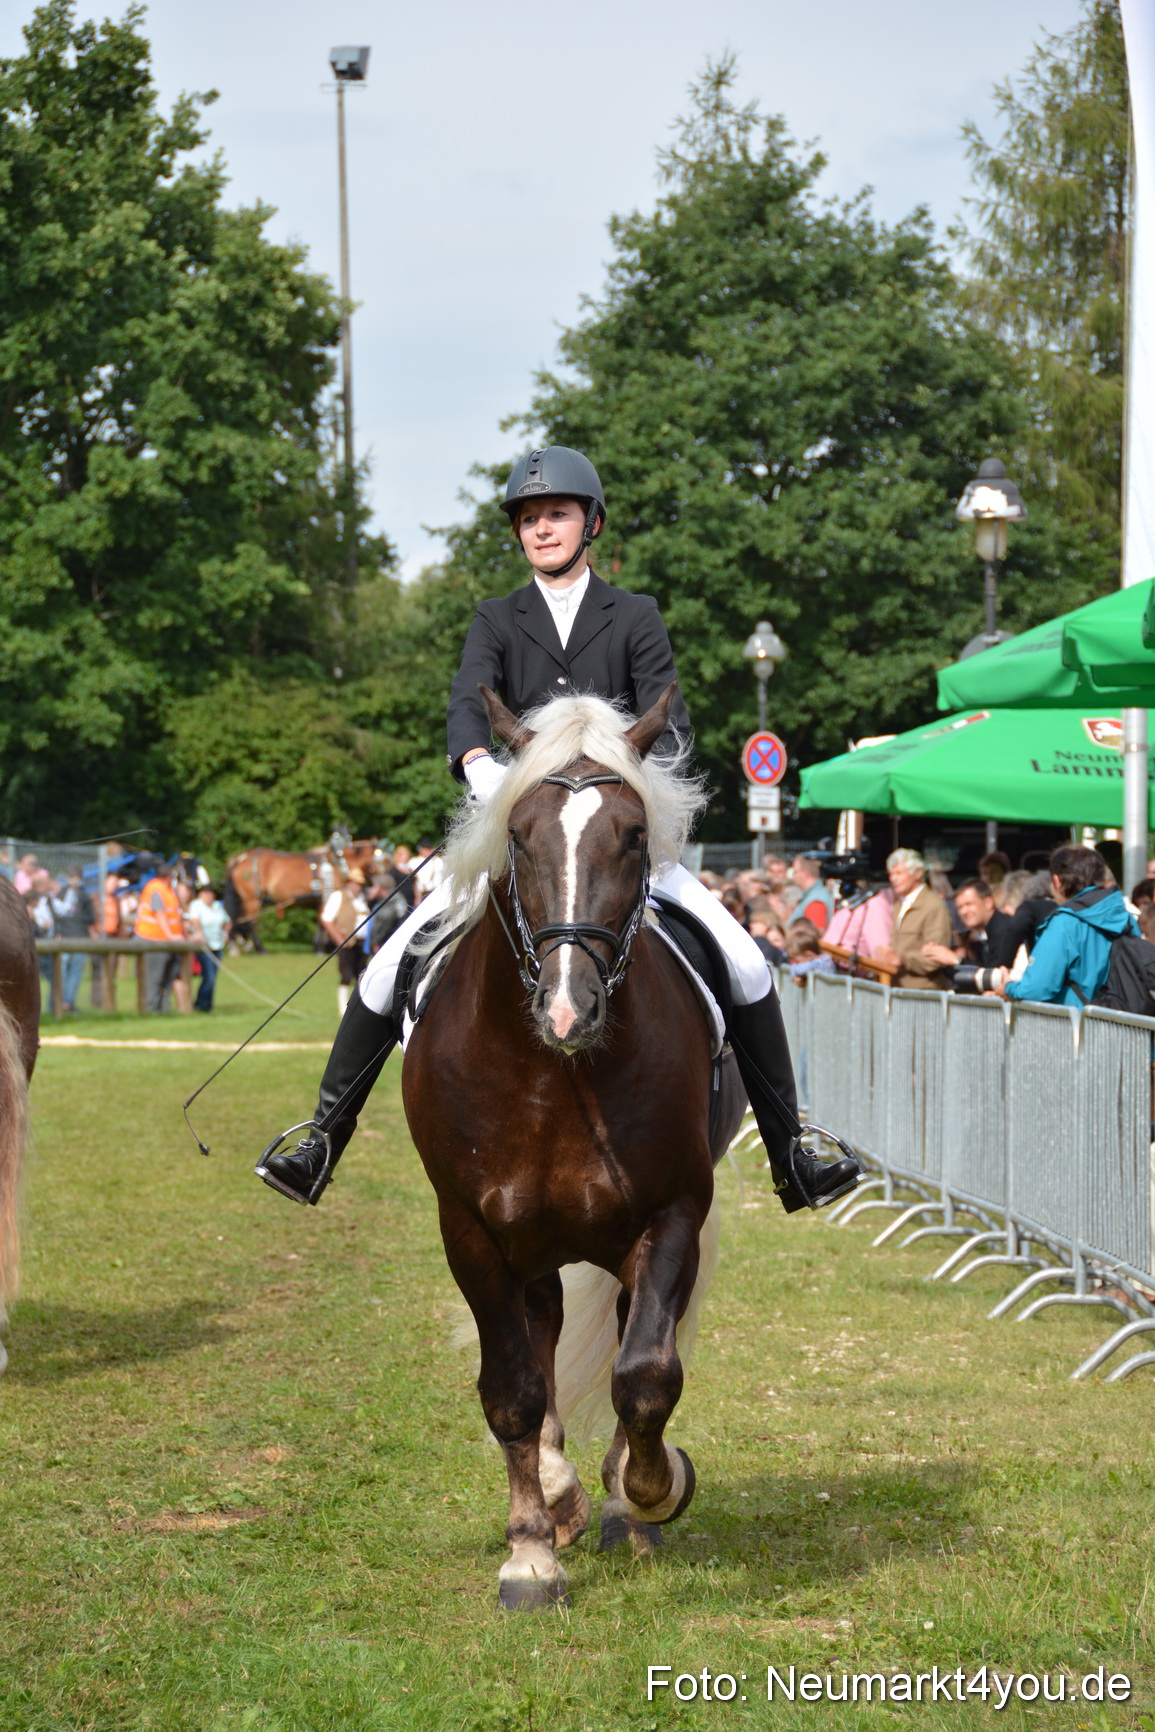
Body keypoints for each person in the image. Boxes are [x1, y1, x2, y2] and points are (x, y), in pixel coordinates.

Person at [256, 445, 858, 1215]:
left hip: (613, 835)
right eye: (530, 519)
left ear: (590, 522)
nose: (542, 528)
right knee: (386, 966)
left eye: (556, 514)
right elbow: (466, 710)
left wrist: (632, 789)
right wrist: (484, 770)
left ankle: (792, 1150)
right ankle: (319, 1140)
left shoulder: (634, 614)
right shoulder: (496, 619)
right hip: (520, 832)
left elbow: (666, 724)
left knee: (744, 963)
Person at [990, 845, 1138, 1008]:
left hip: (1080, 1025)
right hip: (1129, 1022)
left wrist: (1009, 988)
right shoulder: (1125, 918)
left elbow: (1039, 987)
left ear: (1057, 881)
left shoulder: (1064, 922)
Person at [872, 849, 953, 990]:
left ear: (918, 873)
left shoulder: (934, 906)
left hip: (923, 995)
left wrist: (901, 959)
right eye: (891, 873)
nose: (893, 879)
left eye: (899, 873)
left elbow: (935, 959)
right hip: (898, 990)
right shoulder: (898, 905)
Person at [922, 879, 1012, 975]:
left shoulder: (1005, 930)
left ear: (988, 903)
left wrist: (955, 959)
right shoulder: (977, 934)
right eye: (959, 907)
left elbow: (995, 974)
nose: (963, 912)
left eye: (969, 904)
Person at [135, 859, 188, 1013]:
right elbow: (160, 915)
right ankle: (150, 1010)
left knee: (167, 978)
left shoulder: (168, 890)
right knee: (154, 978)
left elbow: (173, 916)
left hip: (166, 941)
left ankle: (163, 1010)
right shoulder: (156, 889)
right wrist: (171, 936)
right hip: (154, 939)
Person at [320, 868, 370, 1016]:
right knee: (346, 975)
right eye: (355, 883)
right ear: (349, 883)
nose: (358, 887)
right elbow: (326, 919)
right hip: (347, 942)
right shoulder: (338, 896)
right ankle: (343, 1008)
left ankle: (358, 1007)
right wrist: (339, 939)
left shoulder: (362, 898)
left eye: (360, 884)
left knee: (361, 975)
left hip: (362, 943)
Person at [52, 869, 96, 1013]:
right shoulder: (60, 893)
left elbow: (90, 918)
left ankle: (69, 1003)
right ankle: (58, 1002)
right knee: (61, 972)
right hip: (63, 937)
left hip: (80, 937)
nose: (74, 881)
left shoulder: (84, 896)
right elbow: (55, 914)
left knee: (75, 974)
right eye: (71, 878)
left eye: (76, 878)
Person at [189, 885, 231, 1012]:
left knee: (213, 976)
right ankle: (201, 1004)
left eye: (210, 893)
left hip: (217, 945)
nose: (208, 896)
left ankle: (207, 1004)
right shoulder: (196, 905)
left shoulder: (218, 906)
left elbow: (227, 921)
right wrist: (198, 932)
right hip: (204, 945)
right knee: (209, 975)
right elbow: (195, 920)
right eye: (205, 893)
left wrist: (226, 933)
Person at [788, 853, 834, 933]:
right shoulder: (812, 896)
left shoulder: (815, 901)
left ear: (805, 874)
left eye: (795, 871)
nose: (793, 876)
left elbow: (814, 936)